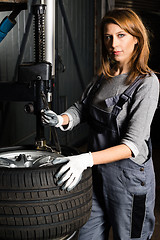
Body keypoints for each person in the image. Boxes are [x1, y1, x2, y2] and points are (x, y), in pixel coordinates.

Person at [41, 8, 159, 240]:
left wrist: (85, 159)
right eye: (108, 37)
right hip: (96, 175)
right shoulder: (104, 75)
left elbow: (132, 145)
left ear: (136, 38)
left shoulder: (147, 83)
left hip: (129, 180)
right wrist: (62, 119)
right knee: (87, 234)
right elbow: (82, 108)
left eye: (121, 35)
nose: (113, 43)